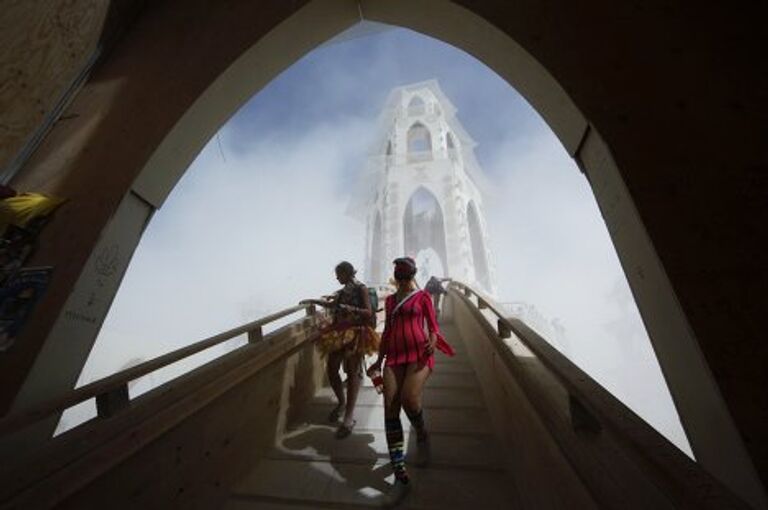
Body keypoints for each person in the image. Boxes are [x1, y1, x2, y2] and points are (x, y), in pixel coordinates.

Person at [367, 257, 455, 502]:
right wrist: (378, 360)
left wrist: (434, 340)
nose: (403, 281)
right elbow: (387, 333)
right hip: (394, 357)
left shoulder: (422, 297)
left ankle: (422, 433)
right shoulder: (391, 300)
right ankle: (400, 476)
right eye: (400, 277)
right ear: (396, 278)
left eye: (405, 277)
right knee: (390, 409)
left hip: (419, 354)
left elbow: (434, 326)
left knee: (409, 399)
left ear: (410, 276)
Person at [300, 261, 379, 438]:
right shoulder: (343, 291)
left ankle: (348, 418)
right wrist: (313, 301)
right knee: (332, 369)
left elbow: (368, 312)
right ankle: (341, 402)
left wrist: (349, 308)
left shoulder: (361, 288)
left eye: (339, 274)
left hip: (356, 333)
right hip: (339, 332)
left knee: (352, 373)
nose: (336, 278)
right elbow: (333, 306)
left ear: (347, 273)